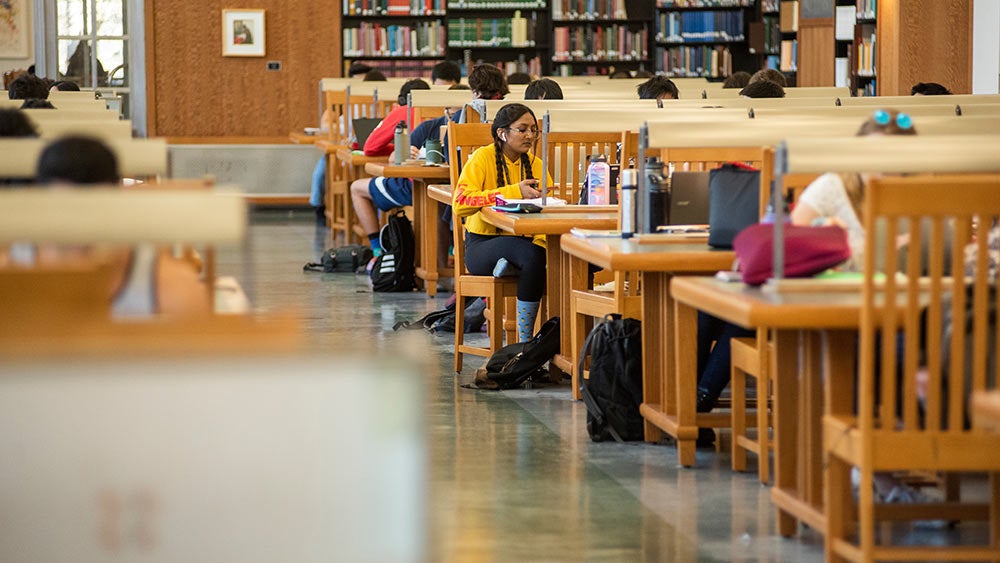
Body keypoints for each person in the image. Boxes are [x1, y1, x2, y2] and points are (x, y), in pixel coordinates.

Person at [693, 111, 917, 448]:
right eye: (876, 155)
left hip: (891, 312)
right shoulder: (834, 186)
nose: (884, 166)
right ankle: (697, 403)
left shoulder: (919, 196)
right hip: (824, 310)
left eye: (895, 158)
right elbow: (787, 247)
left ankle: (892, 449)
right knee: (713, 311)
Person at [34, 136, 210, 318]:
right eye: (66, 211)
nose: (79, 230)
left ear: (115, 203)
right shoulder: (10, 266)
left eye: (92, 210)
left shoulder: (171, 289)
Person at [452, 103, 552, 342]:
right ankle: (524, 343)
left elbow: (547, 208)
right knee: (533, 258)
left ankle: (559, 344)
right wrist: (514, 191)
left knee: (552, 256)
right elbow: (461, 202)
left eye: (533, 130)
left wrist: (543, 242)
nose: (529, 135)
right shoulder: (482, 157)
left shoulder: (536, 165)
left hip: (524, 241)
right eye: (522, 129)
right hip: (482, 245)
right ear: (502, 133)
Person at [346, 79, 431, 259]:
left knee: (356, 188)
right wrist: (398, 149)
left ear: (401, 100)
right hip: (443, 188)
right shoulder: (442, 114)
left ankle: (378, 250)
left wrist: (399, 149)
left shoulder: (403, 111)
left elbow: (370, 147)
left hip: (412, 187)